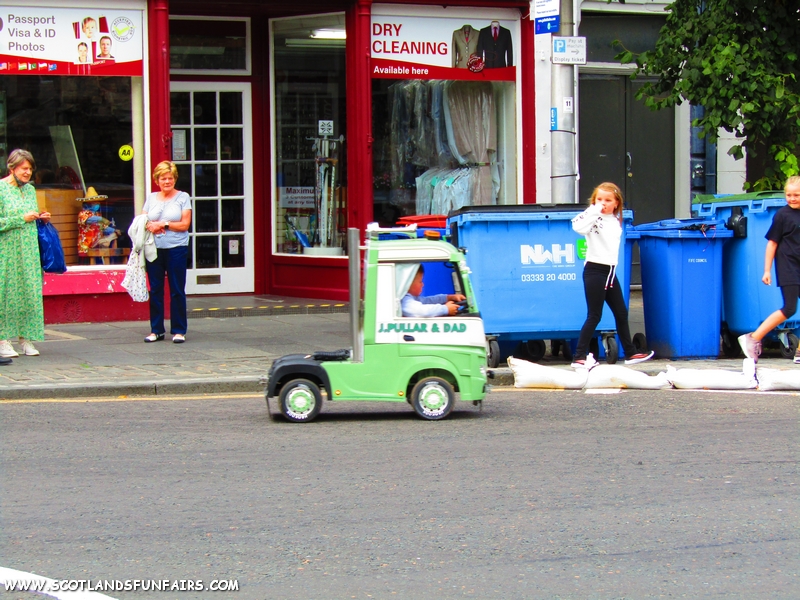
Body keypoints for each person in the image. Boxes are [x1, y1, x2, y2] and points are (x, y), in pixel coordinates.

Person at [570, 182, 654, 367]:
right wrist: (594, 210)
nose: (603, 203)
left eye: (608, 200)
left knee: (621, 313)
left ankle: (630, 353)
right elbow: (577, 226)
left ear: (616, 203)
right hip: (594, 270)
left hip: (610, 272)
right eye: (599, 199)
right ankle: (579, 356)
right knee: (595, 315)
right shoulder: (594, 218)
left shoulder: (615, 220)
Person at [739, 176, 800, 363]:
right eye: (788, 195)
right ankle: (754, 337)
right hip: (788, 266)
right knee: (789, 308)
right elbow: (772, 244)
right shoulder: (782, 215)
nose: (792, 198)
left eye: (796, 195)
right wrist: (767, 270)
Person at [0, 149, 51, 360]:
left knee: (30, 291)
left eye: (30, 169)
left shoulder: (30, 190)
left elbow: (32, 216)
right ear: (11, 168)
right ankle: (4, 339)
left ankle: (26, 337)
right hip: (8, 250)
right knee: (8, 293)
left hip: (29, 249)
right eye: (24, 169)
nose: (28, 172)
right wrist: (22, 218)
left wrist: (42, 218)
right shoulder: (1, 189)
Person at [142, 161, 192, 343]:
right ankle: (156, 330)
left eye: (170, 178)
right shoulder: (151, 198)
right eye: (163, 178)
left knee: (177, 289)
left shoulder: (183, 197)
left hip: (176, 248)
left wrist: (163, 224)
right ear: (157, 180)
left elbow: (185, 224)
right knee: (155, 289)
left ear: (175, 179)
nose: (167, 182)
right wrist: (151, 225)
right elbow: (143, 220)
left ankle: (179, 330)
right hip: (154, 249)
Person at [401, 265, 465, 317]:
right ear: (408, 283)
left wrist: (448, 297)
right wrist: (445, 309)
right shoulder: (404, 299)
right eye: (420, 281)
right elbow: (423, 311)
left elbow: (427, 301)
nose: (423, 284)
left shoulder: (412, 298)